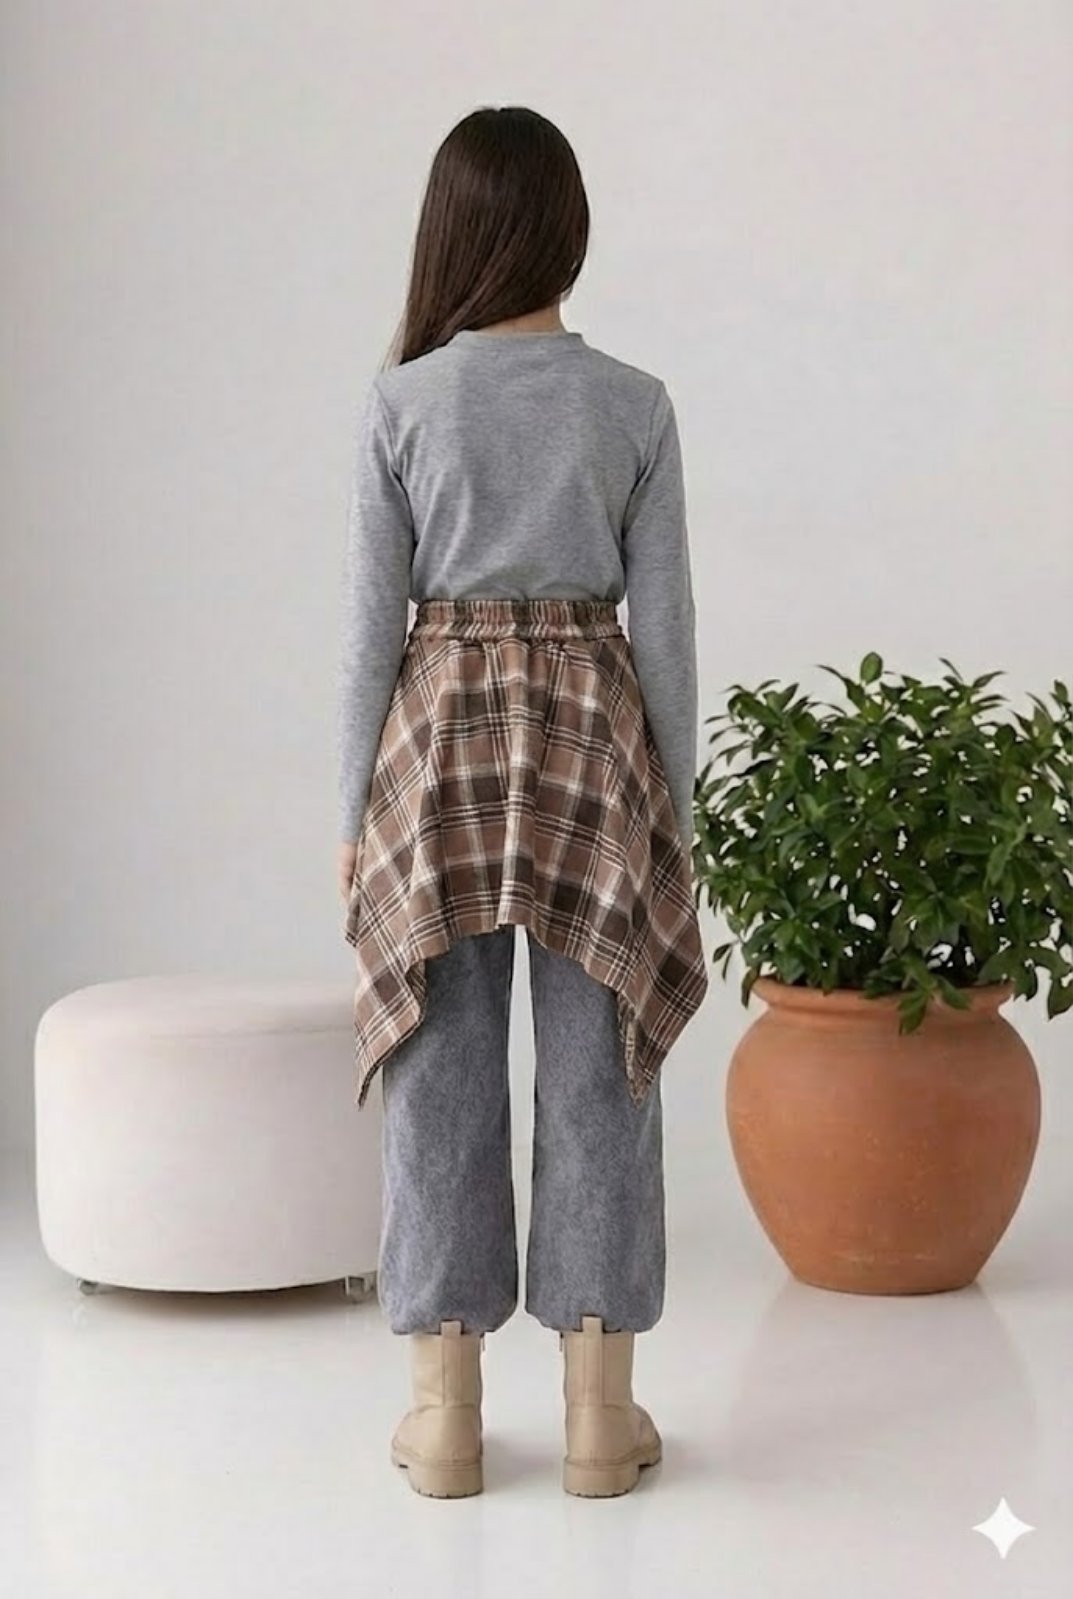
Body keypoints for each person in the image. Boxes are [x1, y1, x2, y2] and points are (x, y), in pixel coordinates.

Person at [336, 105, 708, 1500]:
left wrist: (350, 818)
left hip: (435, 750)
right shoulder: (634, 403)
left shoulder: (402, 402)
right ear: (567, 229)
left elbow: (368, 638)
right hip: (595, 746)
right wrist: (675, 816)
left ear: (452, 232)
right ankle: (600, 1418)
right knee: (603, 1069)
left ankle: (443, 1418)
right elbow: (665, 638)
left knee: (436, 1067)